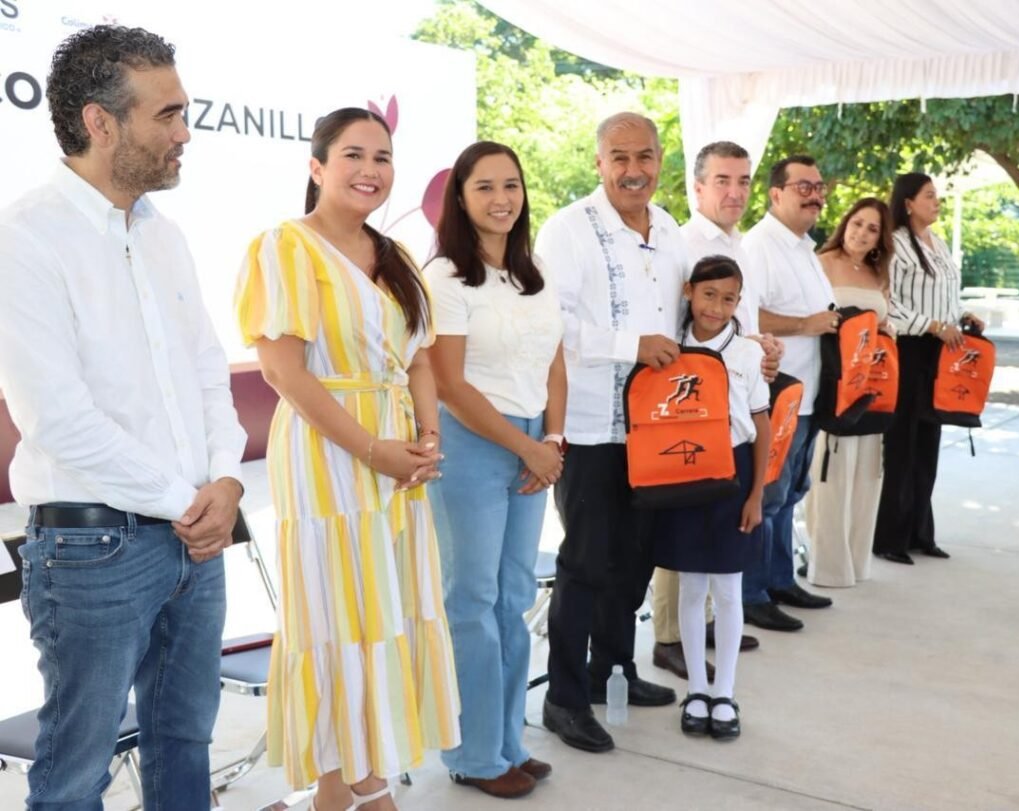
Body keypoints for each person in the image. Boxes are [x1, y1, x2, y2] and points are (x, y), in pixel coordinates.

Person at [0, 25, 247, 809]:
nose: (185, 133)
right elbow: (58, 418)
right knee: (75, 777)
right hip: (92, 550)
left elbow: (208, 371)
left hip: (194, 540)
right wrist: (192, 503)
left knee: (185, 742)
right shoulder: (24, 238)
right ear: (99, 122)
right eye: (167, 115)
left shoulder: (165, 235)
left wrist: (227, 480)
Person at [234, 107, 460, 811]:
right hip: (327, 453)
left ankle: (345, 788)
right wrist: (371, 449)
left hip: (398, 456)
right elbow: (282, 371)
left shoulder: (395, 256)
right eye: (353, 155)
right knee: (339, 615)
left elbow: (418, 358)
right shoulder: (284, 246)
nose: (370, 170)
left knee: (385, 611)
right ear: (317, 167)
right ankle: (364, 787)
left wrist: (427, 437)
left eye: (382, 157)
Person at [533, 112, 684, 754]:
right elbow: (552, 323)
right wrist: (632, 344)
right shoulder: (567, 230)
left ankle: (613, 670)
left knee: (636, 559)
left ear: (660, 160)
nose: (633, 170)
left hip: (657, 428)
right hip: (590, 424)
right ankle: (564, 699)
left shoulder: (670, 229)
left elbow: (684, 318)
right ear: (598, 163)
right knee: (587, 563)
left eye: (644, 156)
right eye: (619, 157)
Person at [424, 141, 566, 799]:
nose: (501, 198)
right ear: (460, 197)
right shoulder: (445, 278)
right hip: (473, 444)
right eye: (484, 186)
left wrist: (552, 439)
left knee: (514, 598)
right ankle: (473, 755)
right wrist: (527, 448)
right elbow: (450, 385)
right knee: (472, 601)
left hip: (536, 440)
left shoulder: (534, 270)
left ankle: (508, 742)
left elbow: (554, 360)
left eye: (511, 184)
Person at [651, 141, 770, 680]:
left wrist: (760, 349)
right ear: (697, 187)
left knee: (718, 548)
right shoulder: (681, 244)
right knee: (683, 542)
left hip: (737, 399)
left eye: (743, 180)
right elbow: (677, 325)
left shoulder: (741, 244)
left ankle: (706, 628)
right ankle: (670, 636)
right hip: (687, 409)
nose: (735, 191)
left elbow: (740, 319)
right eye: (723, 180)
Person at [654, 255, 770, 741]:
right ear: (688, 291)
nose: (716, 307)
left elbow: (761, 423)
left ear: (738, 303)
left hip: (733, 474)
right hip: (681, 471)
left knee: (726, 589)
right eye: (708, 295)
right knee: (690, 585)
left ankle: (724, 691)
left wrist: (756, 493)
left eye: (728, 299)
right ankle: (696, 690)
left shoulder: (746, 353)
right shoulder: (668, 346)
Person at [742, 155, 835, 632]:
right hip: (776, 395)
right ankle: (751, 594)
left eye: (819, 187)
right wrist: (805, 324)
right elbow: (746, 316)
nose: (815, 195)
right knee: (768, 496)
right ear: (775, 193)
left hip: (809, 393)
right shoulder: (758, 246)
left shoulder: (804, 248)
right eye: (803, 187)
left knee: (792, 493)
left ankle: (780, 580)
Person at [873, 173, 985, 564]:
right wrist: (932, 325)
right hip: (909, 350)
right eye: (929, 196)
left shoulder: (937, 243)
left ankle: (921, 533)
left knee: (928, 445)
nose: (937, 202)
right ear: (908, 203)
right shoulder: (896, 244)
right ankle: (890, 539)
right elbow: (889, 303)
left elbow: (945, 296)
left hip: (940, 355)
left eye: (937, 196)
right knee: (902, 445)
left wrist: (962, 315)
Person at [804, 198, 895, 586]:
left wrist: (886, 332)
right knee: (832, 474)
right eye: (858, 223)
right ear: (845, 223)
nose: (862, 233)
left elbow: (886, 321)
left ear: (880, 239)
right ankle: (828, 567)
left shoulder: (879, 274)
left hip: (872, 383)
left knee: (867, 474)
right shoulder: (820, 263)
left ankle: (857, 562)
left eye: (872, 229)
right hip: (833, 381)